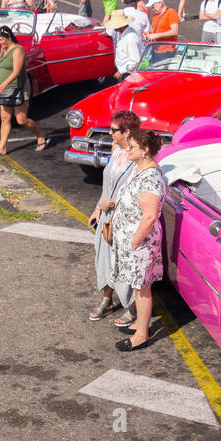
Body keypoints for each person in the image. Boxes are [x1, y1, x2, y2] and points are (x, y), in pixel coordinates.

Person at [111, 127, 165, 352]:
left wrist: (134, 241)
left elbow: (150, 215)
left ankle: (141, 334)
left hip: (141, 243)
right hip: (134, 241)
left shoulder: (151, 177)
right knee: (137, 285)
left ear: (144, 150)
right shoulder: (140, 170)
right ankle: (139, 324)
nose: (128, 148)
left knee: (143, 289)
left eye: (132, 146)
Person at [87, 110, 142, 322]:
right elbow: (108, 182)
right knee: (103, 257)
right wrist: (98, 208)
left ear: (127, 132)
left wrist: (113, 203)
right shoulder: (115, 149)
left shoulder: (138, 155)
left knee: (124, 260)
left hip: (125, 218)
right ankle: (107, 298)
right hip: (106, 215)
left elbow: (138, 190)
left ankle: (133, 304)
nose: (110, 133)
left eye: (113, 130)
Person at [0, 26, 49, 156]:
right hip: (6, 88)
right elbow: (3, 66)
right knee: (5, 118)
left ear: (8, 37)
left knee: (21, 120)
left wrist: (3, 84)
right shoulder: (3, 49)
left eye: (1, 40)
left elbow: (16, 71)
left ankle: (40, 135)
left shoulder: (18, 50)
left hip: (18, 87)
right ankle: (1, 148)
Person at [106, 10, 144, 79]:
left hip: (129, 74)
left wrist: (121, 71)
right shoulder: (124, 33)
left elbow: (135, 61)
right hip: (126, 72)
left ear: (120, 26)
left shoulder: (130, 38)